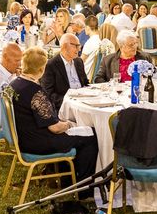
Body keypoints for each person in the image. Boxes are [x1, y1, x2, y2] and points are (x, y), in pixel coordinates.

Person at [9, 47, 99, 187]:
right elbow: (55, 129)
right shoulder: (35, 92)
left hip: (23, 137)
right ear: (41, 70)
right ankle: (82, 188)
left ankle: (66, 179)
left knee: (80, 134)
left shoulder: (14, 83)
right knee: (91, 138)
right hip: (37, 142)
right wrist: (69, 124)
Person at [41, 33, 89, 111]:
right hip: (65, 107)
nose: (79, 49)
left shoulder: (78, 61)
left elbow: (85, 83)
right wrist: (69, 102)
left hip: (83, 102)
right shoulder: (51, 65)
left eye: (79, 46)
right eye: (76, 46)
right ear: (64, 47)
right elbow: (48, 93)